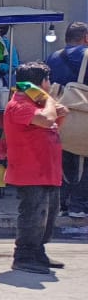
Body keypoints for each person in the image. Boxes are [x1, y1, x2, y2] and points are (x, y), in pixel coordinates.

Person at [4, 62, 67, 274]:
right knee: (33, 215)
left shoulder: (36, 104)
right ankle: (24, 256)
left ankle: (38, 251)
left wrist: (58, 112)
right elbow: (47, 120)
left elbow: (53, 125)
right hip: (30, 171)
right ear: (40, 82)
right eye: (47, 80)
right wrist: (49, 101)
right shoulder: (19, 104)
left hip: (47, 169)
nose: (49, 84)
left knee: (48, 214)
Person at [47, 21, 88, 219]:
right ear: (86, 37)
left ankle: (61, 204)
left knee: (62, 160)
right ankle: (79, 205)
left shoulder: (53, 57)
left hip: (58, 116)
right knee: (83, 159)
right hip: (82, 117)